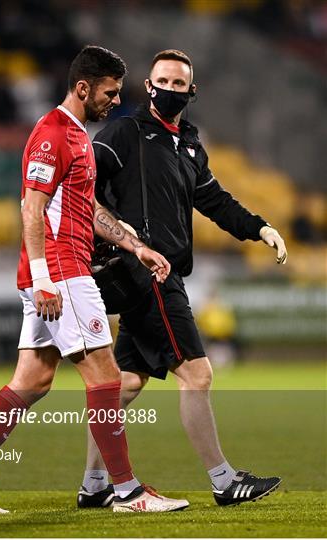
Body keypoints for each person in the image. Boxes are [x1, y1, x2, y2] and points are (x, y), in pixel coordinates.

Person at [0, 46, 189, 514]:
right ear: (83, 88)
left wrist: (135, 246)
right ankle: (126, 492)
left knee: (32, 381)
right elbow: (31, 209)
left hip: (57, 272)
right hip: (60, 272)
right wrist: (44, 279)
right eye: (110, 92)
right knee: (106, 374)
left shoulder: (78, 137)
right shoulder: (52, 134)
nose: (116, 101)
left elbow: (89, 209)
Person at [78, 49, 288, 508]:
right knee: (196, 373)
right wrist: (113, 236)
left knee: (126, 383)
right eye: (162, 82)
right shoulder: (123, 132)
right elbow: (82, 187)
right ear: (148, 87)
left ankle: (93, 485)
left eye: (179, 84)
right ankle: (223, 480)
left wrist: (259, 227)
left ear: (191, 91)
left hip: (157, 272)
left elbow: (216, 202)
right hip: (148, 270)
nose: (170, 90)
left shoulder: (189, 145)